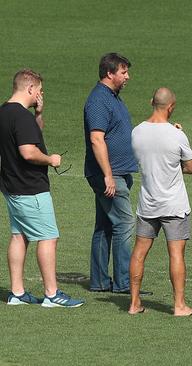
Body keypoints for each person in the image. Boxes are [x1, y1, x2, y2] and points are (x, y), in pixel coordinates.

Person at [0, 69, 84, 307]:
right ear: (29, 89)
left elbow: (29, 136)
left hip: (10, 185)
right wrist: (51, 159)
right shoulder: (21, 117)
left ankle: (17, 293)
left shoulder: (4, 113)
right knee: (48, 237)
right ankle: (52, 294)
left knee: (19, 235)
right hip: (30, 188)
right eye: (38, 89)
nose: (40, 93)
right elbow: (28, 152)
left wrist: (38, 114)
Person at [128, 88, 192, 316]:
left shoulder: (137, 132)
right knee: (176, 254)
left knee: (139, 253)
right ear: (171, 107)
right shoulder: (176, 135)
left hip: (147, 203)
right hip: (173, 204)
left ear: (152, 102)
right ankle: (179, 305)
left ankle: (133, 304)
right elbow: (191, 167)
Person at [83, 52, 150, 295]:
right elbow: (97, 139)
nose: (127, 77)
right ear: (109, 73)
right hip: (109, 176)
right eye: (123, 72)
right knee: (124, 223)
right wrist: (108, 176)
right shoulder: (99, 101)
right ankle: (124, 283)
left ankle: (100, 281)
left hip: (116, 173)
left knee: (105, 226)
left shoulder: (112, 98)